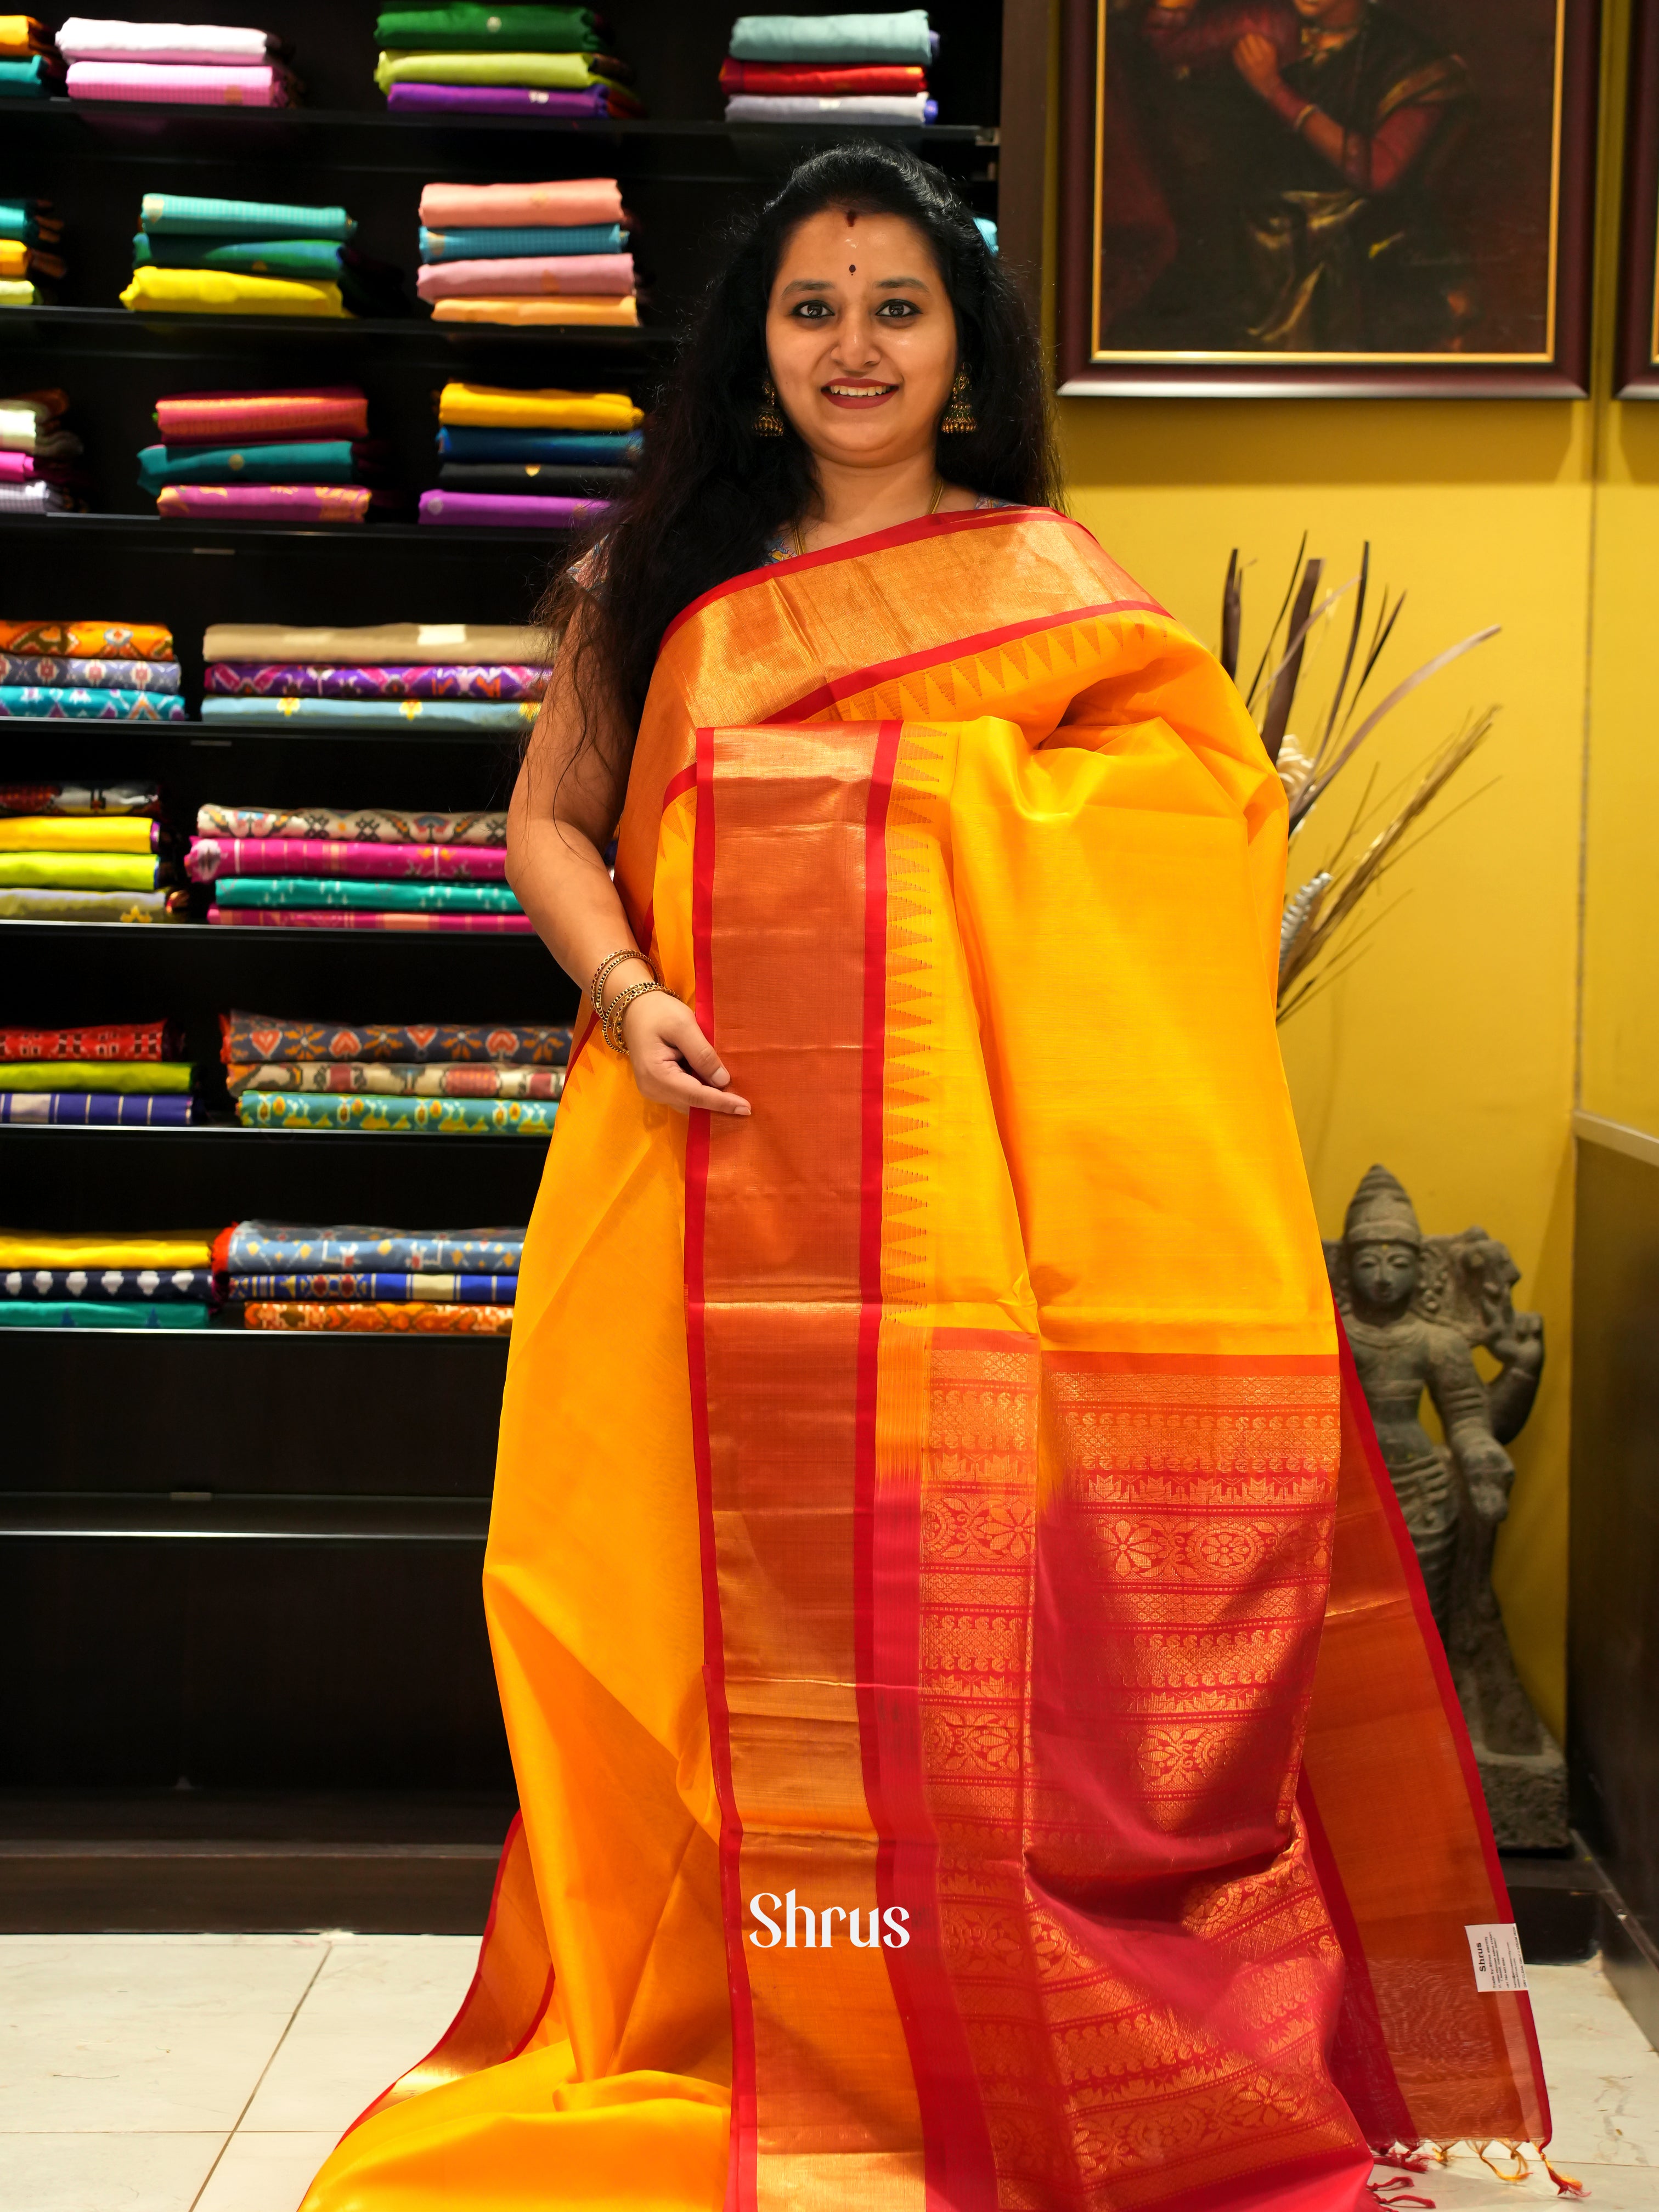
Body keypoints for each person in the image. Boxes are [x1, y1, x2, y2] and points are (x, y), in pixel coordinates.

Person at [301, 142, 1547, 2212]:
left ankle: (940, 2012)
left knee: (967, 1618)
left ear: (966, 349)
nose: (854, 347)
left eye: (899, 307)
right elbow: (550, 825)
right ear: (756, 343)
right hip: (695, 1164)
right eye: (813, 307)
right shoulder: (660, 578)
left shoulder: (1043, 588)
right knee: (660, 1605)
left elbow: (1190, 836)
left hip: (974, 1213)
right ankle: (746, 2009)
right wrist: (626, 989)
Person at [1119, 0, 1473, 352]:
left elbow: (1377, 171)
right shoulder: (1268, 22)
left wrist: (1275, 91)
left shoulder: (1411, 59)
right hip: (1254, 243)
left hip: (1356, 250)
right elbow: (1164, 45)